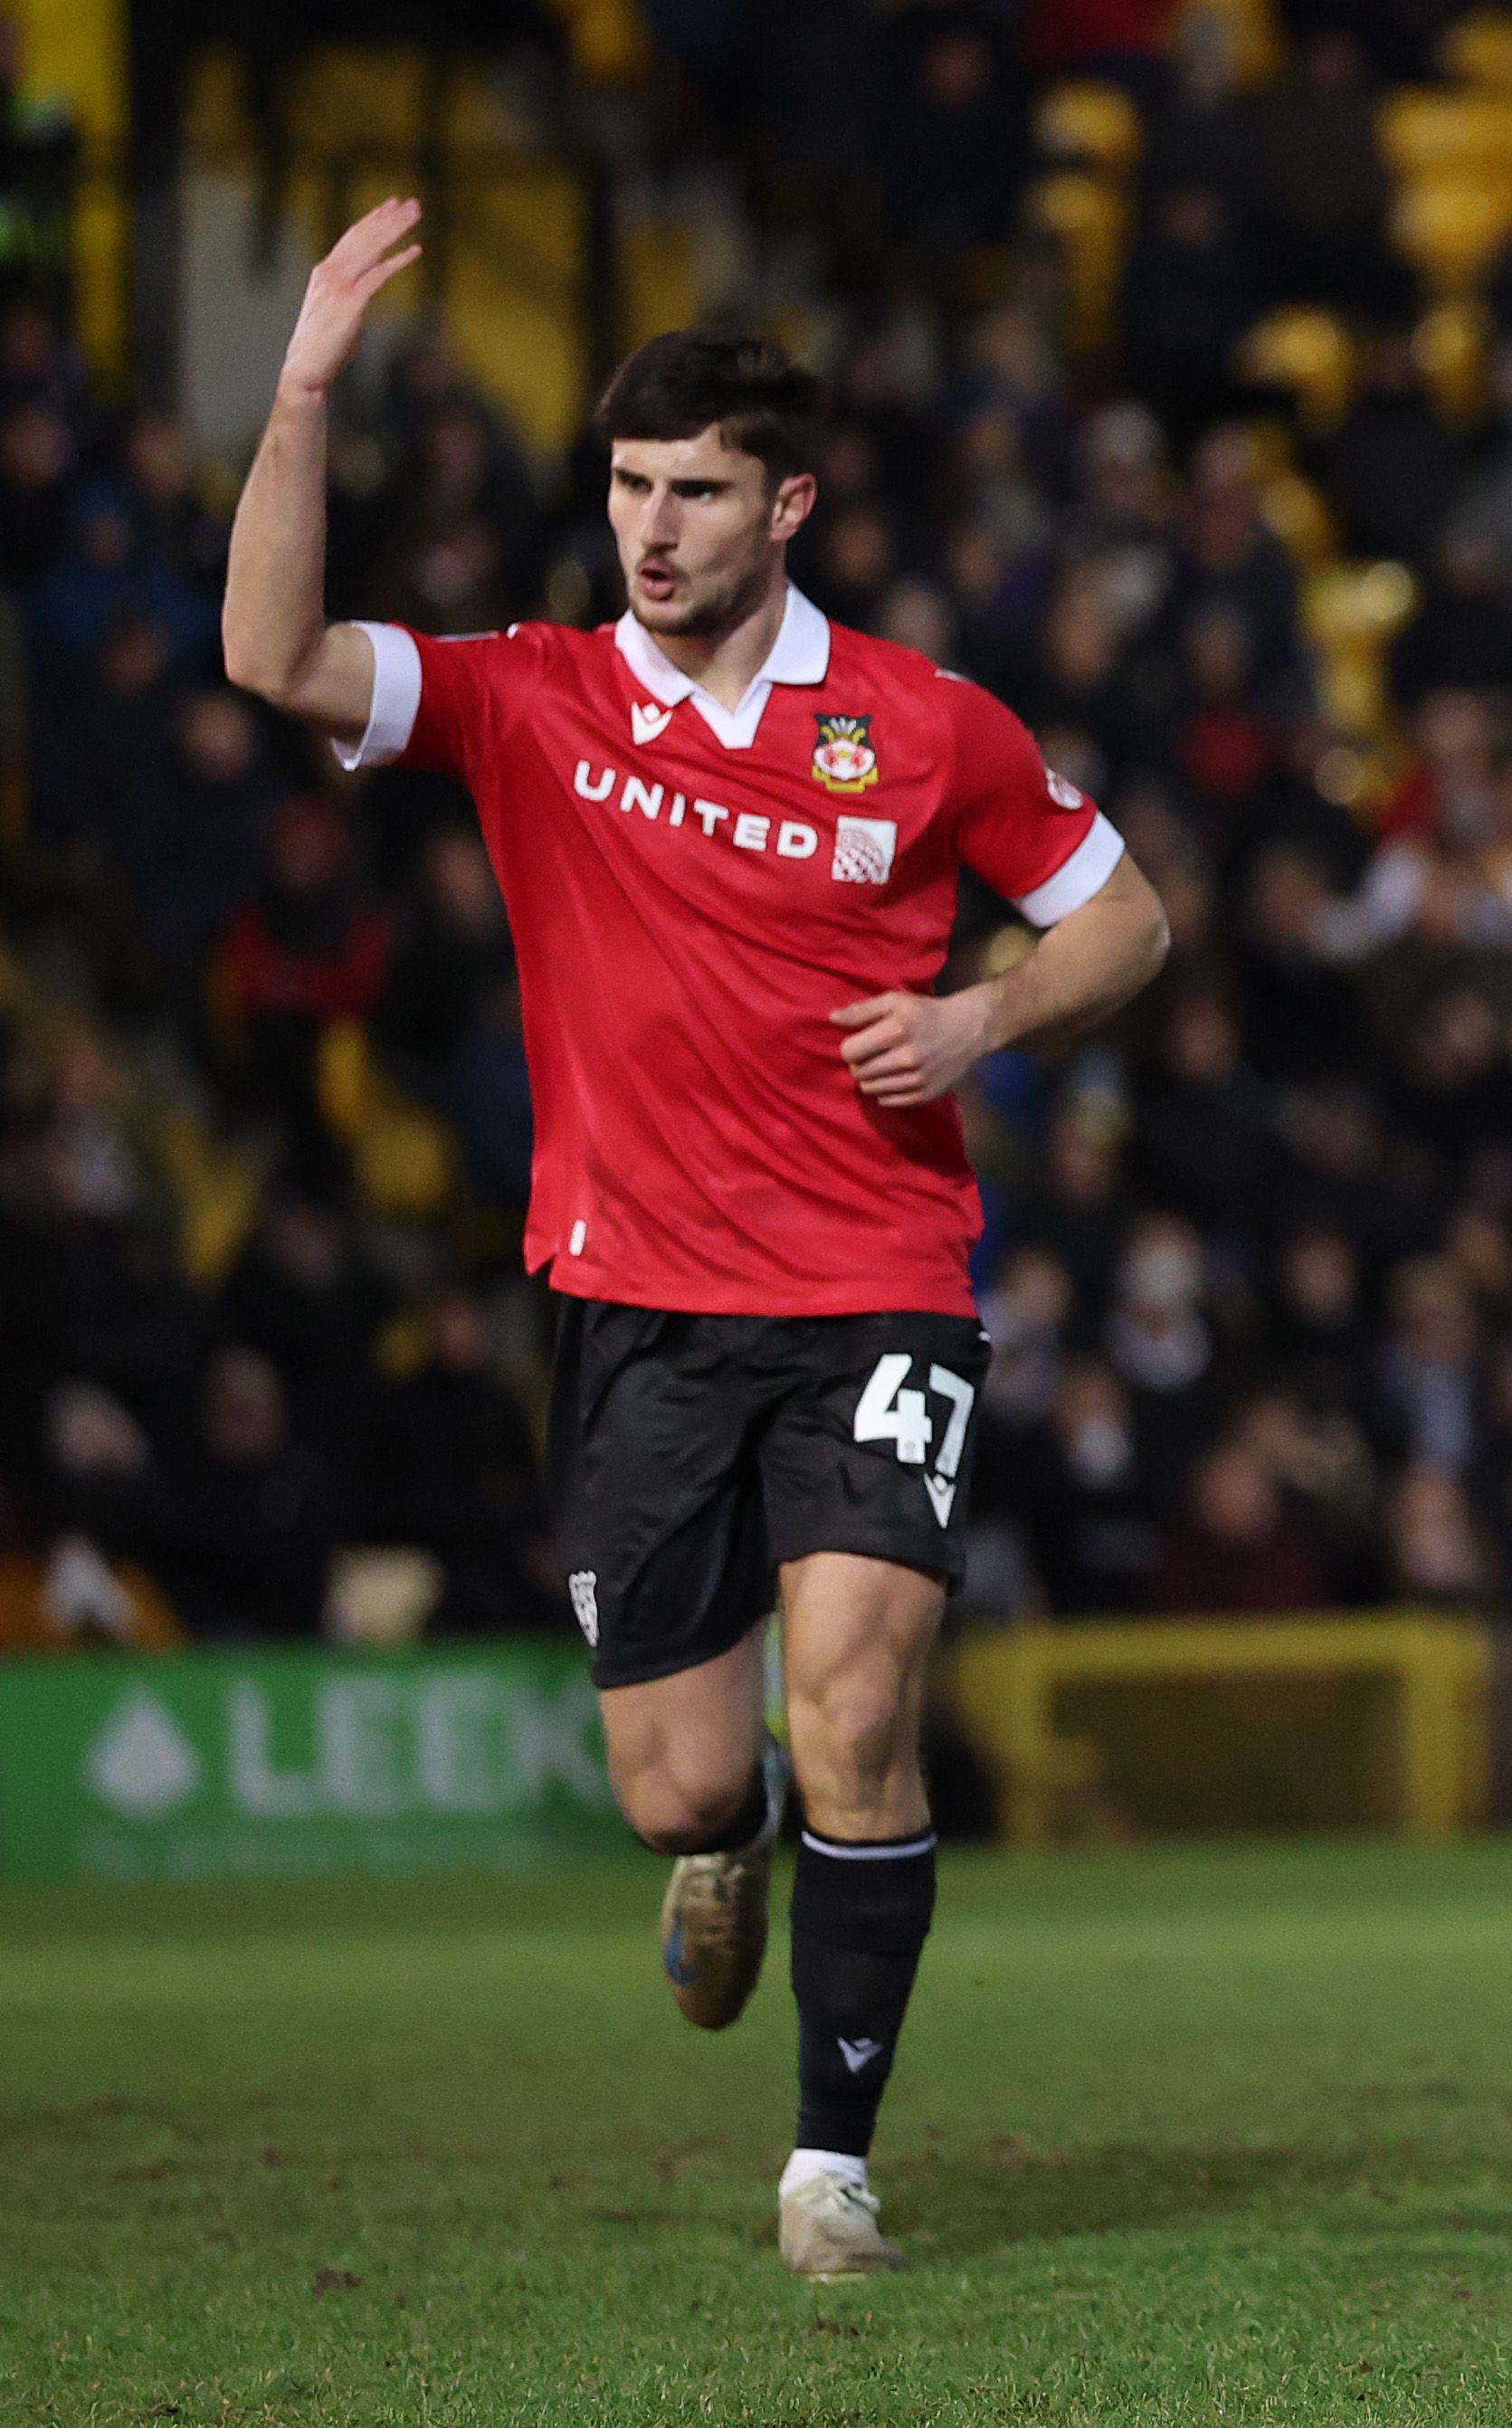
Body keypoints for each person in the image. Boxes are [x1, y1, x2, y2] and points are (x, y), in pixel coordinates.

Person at [223, 204, 1172, 2280]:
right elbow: (275, 661)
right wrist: (300, 389)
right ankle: (721, 1846)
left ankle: (831, 2165)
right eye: (630, 488)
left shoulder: (926, 723)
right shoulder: (535, 696)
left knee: (860, 1704)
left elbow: (1128, 917)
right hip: (636, 1304)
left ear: (788, 505)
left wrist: (985, 1015)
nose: (651, 531)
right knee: (675, 1783)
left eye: (697, 493)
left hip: (879, 1282)